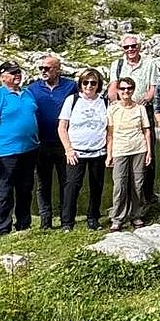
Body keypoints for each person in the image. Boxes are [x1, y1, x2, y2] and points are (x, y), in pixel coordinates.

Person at [0, 61, 39, 235]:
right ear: (3, 77)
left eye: (18, 72)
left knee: (25, 189)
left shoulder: (27, 93)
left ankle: (24, 225)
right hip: (6, 153)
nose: (17, 75)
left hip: (29, 150)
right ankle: (3, 229)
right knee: (4, 192)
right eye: (13, 73)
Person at [26, 55, 77, 229]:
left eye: (47, 68)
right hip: (41, 143)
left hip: (64, 143)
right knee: (43, 184)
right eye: (41, 68)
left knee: (66, 182)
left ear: (58, 69)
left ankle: (66, 219)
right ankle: (45, 221)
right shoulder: (33, 88)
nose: (43, 71)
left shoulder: (71, 86)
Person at [107, 34, 159, 202]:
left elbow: (153, 88)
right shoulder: (117, 65)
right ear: (122, 49)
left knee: (147, 150)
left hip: (142, 109)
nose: (130, 49)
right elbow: (112, 87)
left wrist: (143, 101)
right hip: (122, 111)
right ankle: (125, 197)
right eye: (126, 47)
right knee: (121, 149)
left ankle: (147, 194)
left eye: (133, 46)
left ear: (139, 46)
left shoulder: (150, 63)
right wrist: (117, 104)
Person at [57, 68, 108, 231]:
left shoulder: (104, 102)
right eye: (85, 82)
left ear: (98, 85)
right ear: (81, 84)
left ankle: (93, 218)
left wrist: (109, 151)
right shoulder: (72, 100)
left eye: (93, 83)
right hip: (76, 152)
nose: (89, 86)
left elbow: (110, 128)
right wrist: (68, 149)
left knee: (96, 186)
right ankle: (67, 222)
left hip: (98, 152)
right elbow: (62, 127)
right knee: (72, 186)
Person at [106, 76, 152, 231]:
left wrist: (149, 152)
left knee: (138, 184)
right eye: (123, 88)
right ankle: (117, 217)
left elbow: (146, 131)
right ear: (118, 90)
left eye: (129, 88)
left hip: (139, 148)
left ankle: (136, 215)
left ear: (133, 90)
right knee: (120, 185)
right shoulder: (112, 109)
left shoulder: (140, 108)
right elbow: (110, 134)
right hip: (119, 150)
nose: (126, 91)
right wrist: (109, 154)